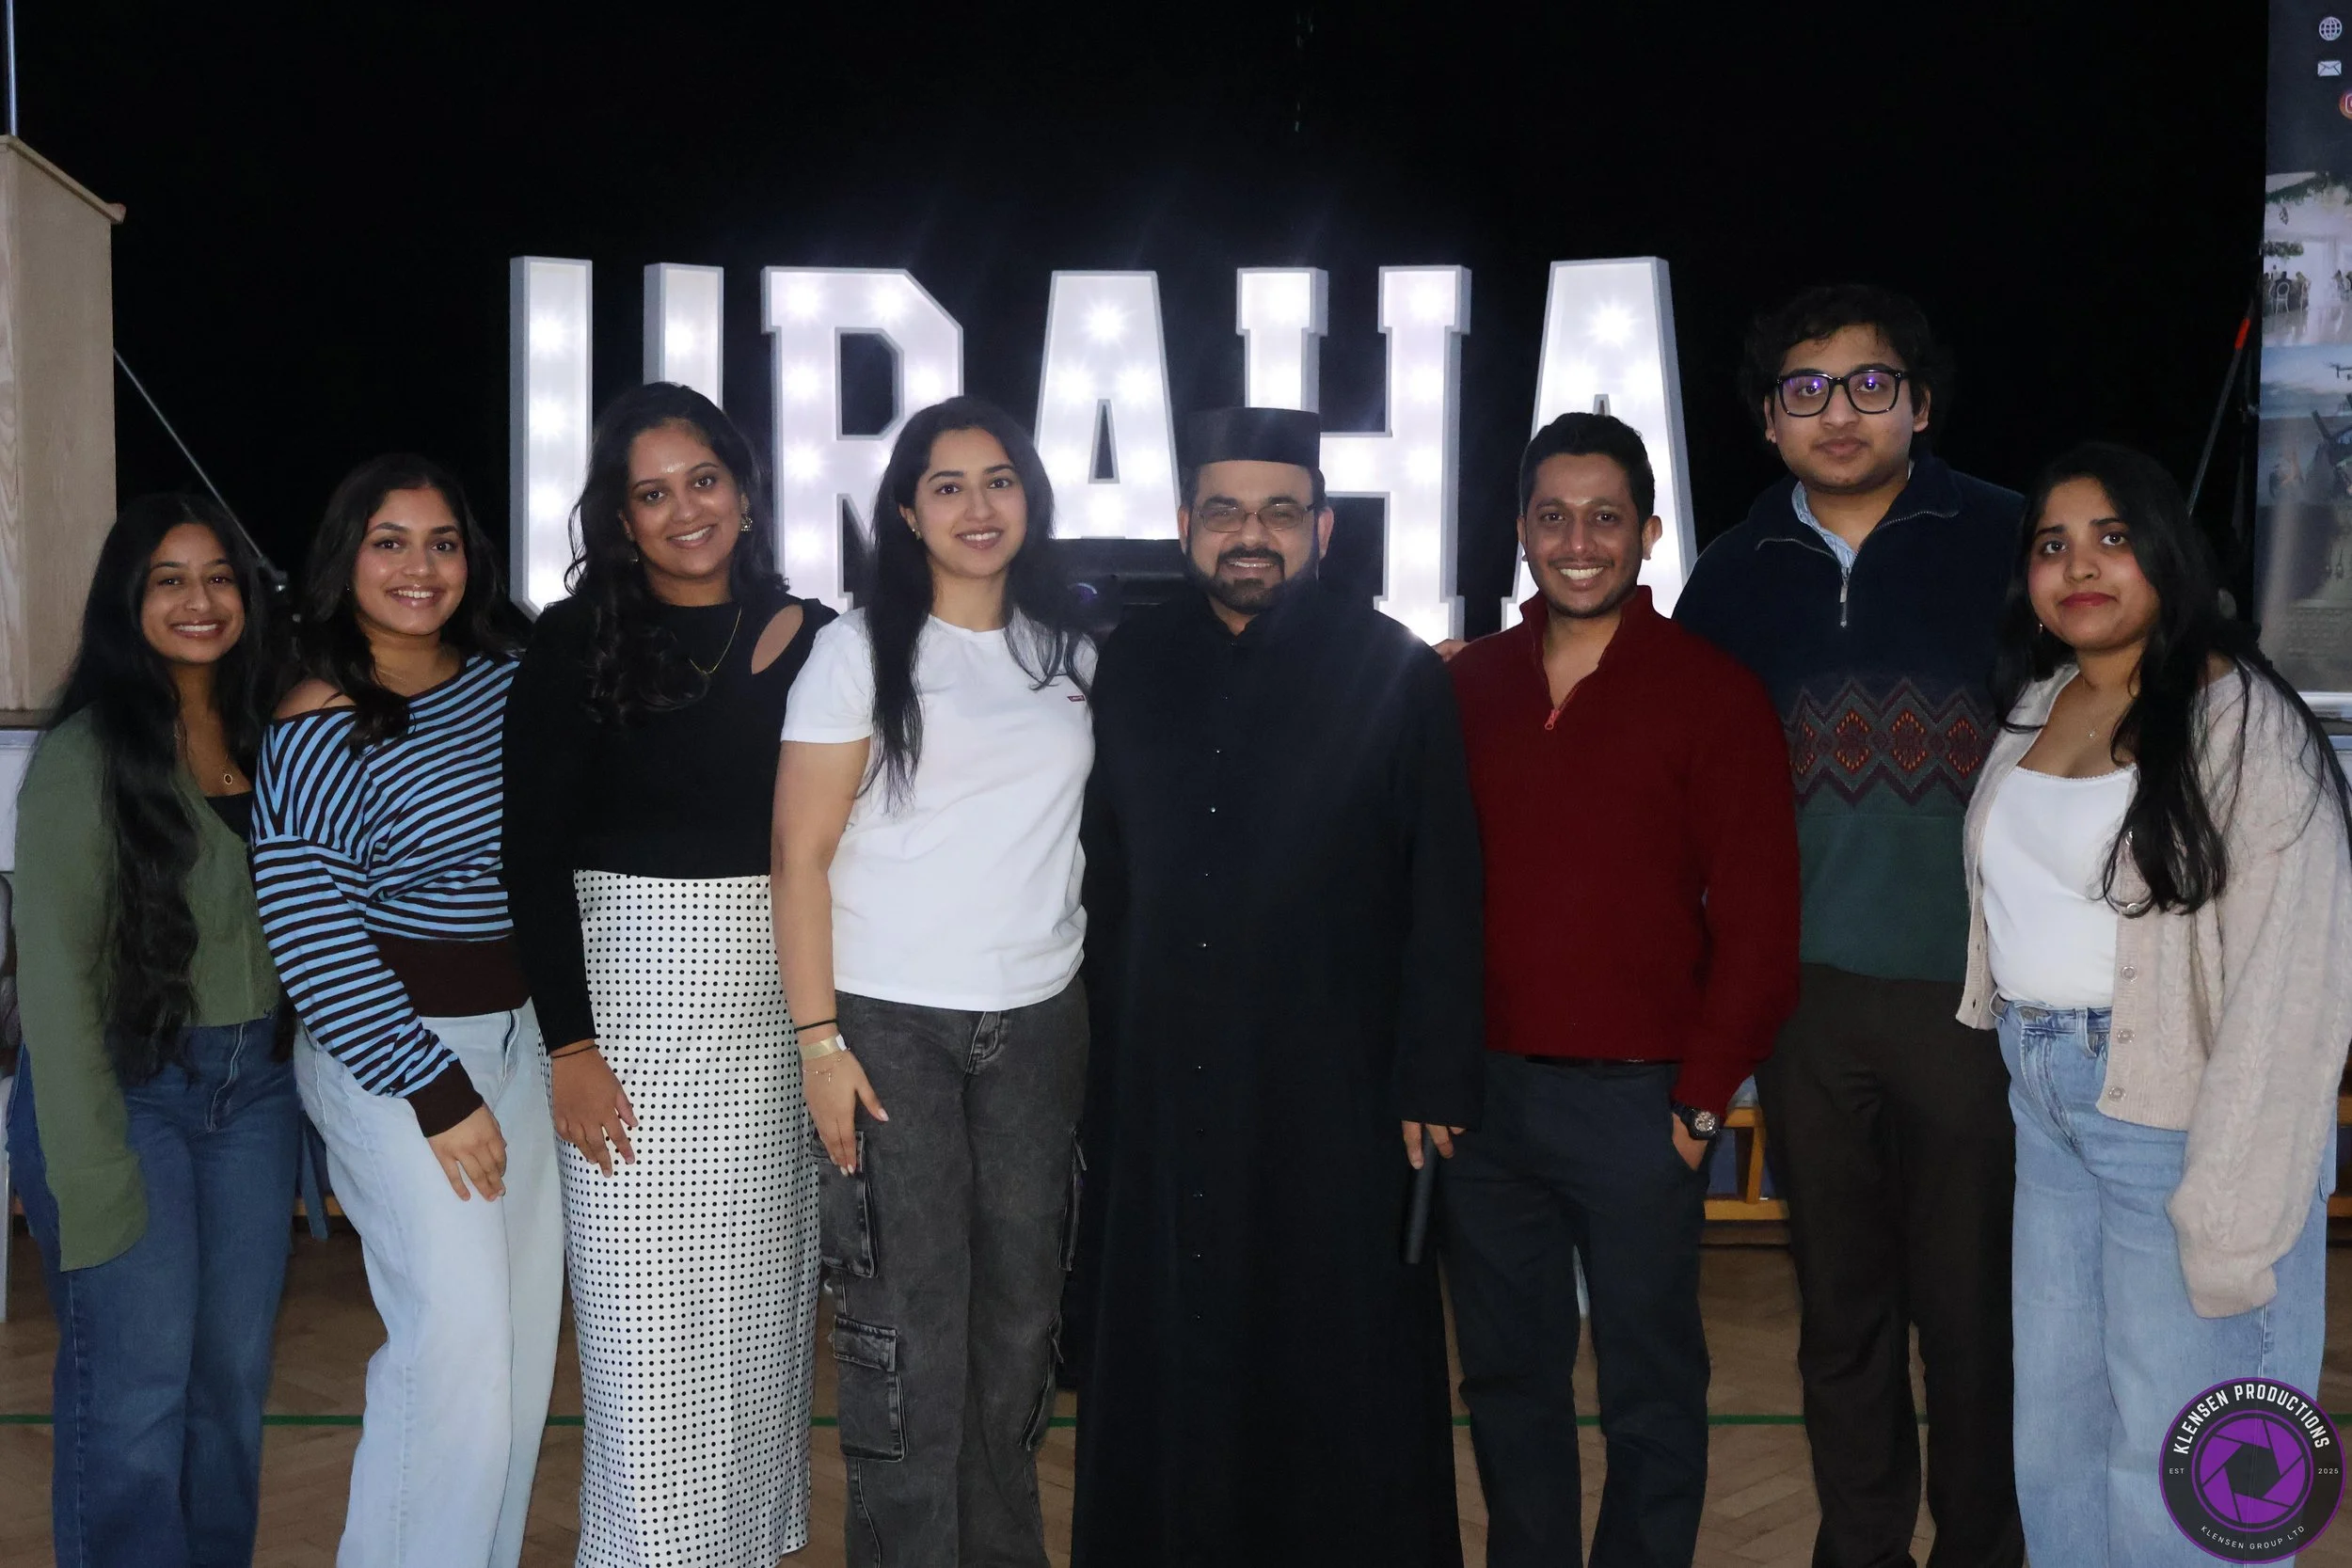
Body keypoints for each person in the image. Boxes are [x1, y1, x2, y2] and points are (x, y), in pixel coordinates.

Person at [1070, 406, 1485, 1568]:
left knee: (1336, 1364)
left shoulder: (1396, 673)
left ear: (1324, 527)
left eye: (1279, 512)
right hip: (1153, 1086)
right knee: (1163, 1357)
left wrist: (1434, 1072)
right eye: (1224, 510)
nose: (1251, 534)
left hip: (1337, 1094)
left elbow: (1445, 888)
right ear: (1184, 522)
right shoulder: (1127, 665)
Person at [1673, 284, 2026, 1567]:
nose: (1839, 411)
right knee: (1841, 1304)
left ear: (1920, 405)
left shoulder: (2008, 539)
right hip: (1804, 997)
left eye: (1871, 383)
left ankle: (1986, 1545)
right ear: (1768, 421)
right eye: (1806, 388)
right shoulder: (1731, 572)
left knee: (1972, 1305)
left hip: (1976, 991)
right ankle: (1860, 1541)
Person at [1960, 443, 2352, 1565]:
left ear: (2167, 558)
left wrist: (2234, 1207)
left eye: (2111, 538)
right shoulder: (2040, 703)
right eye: (2052, 544)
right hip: (2048, 1103)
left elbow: (2297, 986)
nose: (2078, 565)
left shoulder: (2244, 725)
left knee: (2188, 1459)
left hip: (2186, 1119)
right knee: (2059, 1440)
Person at [1444, 414, 1801, 1568]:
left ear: (1647, 531)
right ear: (1520, 533)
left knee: (1651, 1387)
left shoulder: (1711, 693)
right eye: (1553, 516)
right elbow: (1420, 900)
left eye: (1605, 516)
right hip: (1485, 1105)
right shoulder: (1470, 687)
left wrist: (1700, 1104)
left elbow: (1759, 922)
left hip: (1643, 1106)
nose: (1578, 540)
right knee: (1508, 1379)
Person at [503, 382, 835, 1565]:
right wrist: (570, 1047)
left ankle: (743, 1544)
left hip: (772, 1017)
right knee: (644, 1349)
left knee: (756, 1334)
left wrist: (829, 1038)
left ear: (743, 489)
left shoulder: (823, 636)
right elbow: (530, 856)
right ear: (620, 517)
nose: (684, 508)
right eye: (652, 493)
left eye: (702, 479)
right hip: (627, 1029)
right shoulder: (568, 639)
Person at [774, 396, 1096, 1568]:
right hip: (887, 1025)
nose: (977, 504)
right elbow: (796, 856)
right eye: (947, 484)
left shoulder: (1073, 652)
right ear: (906, 509)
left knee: (1018, 1331)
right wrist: (820, 1043)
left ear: (1031, 498)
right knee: (904, 1337)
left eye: (998, 479)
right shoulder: (858, 650)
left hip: (1039, 1021)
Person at [253, 454, 558, 1568]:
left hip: (520, 1045)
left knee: (515, 1363)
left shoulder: (504, 679)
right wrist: (433, 1086)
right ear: (345, 559)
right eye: (390, 541)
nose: (419, 566)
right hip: (401, 1060)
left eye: (441, 542)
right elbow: (309, 928)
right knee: (454, 1355)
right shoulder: (319, 718)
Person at [9, 495, 296, 1565]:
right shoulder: (88, 755)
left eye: (219, 575)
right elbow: (56, 987)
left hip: (253, 1098)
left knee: (229, 1392)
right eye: (169, 578)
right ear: (127, 601)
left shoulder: (279, 731)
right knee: (132, 1399)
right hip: (123, 1095)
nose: (199, 599)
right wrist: (85, 1172)